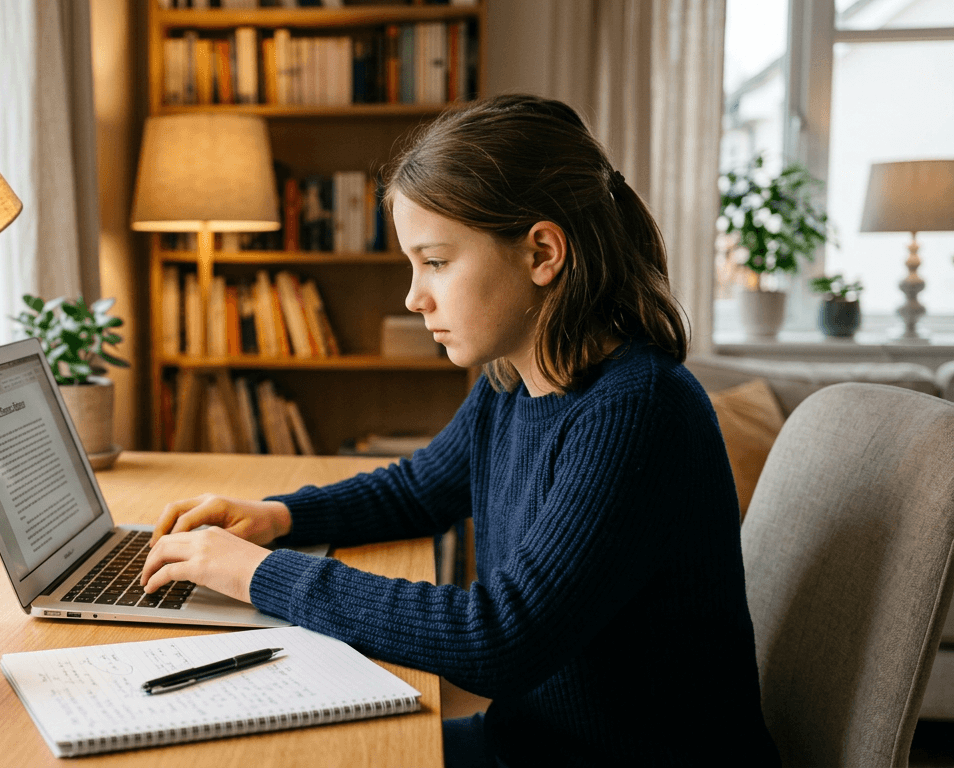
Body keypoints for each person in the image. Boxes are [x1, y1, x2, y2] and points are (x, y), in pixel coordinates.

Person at [139, 94, 779, 767]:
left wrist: (260, 574)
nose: (416, 297)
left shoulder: (639, 412)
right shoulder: (512, 379)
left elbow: (497, 640)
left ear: (541, 253)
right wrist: (274, 516)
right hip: (530, 747)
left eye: (436, 262)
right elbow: (417, 490)